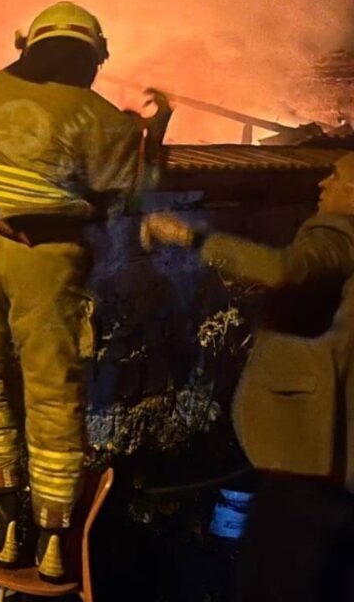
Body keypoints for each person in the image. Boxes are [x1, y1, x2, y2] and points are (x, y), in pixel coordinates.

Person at [0, 1, 172, 581]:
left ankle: (0, 523)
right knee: (52, 392)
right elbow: (131, 196)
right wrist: (151, 135)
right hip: (49, 259)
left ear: (29, 47)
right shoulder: (103, 119)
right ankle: (52, 537)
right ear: (95, 56)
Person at [141, 153, 354, 602]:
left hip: (305, 464)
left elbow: (283, 269)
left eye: (335, 175)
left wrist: (188, 236)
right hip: (324, 463)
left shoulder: (338, 235)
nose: (321, 184)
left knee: (274, 581)